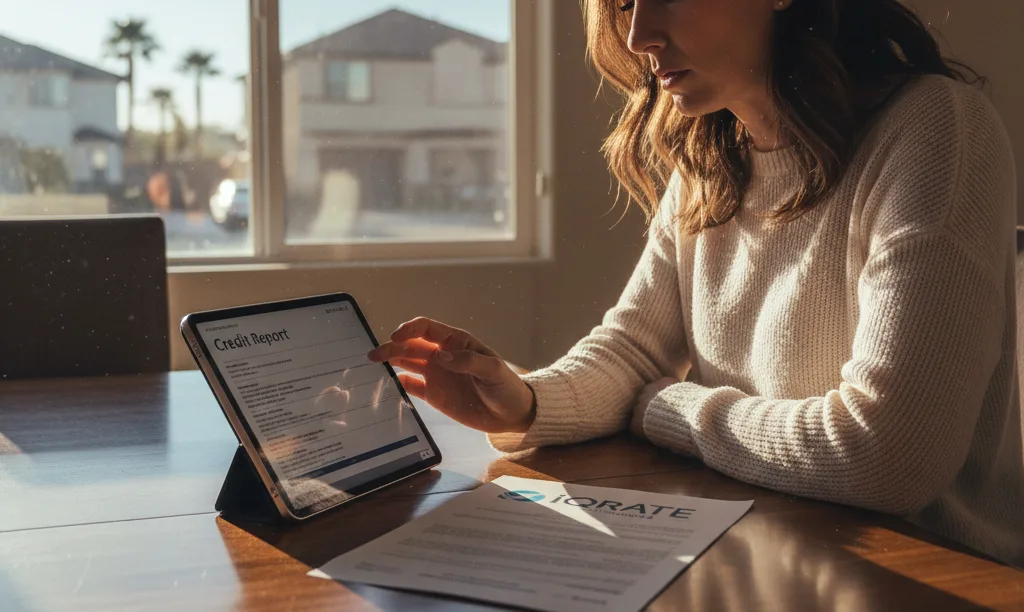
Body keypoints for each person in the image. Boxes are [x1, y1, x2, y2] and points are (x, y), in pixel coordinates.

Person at [369, 0, 1022, 566]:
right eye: (624, 4)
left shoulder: (935, 129)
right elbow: (634, 352)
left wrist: (671, 408)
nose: (637, 36)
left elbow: (888, 457)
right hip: (772, 540)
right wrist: (522, 400)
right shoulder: (710, 162)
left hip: (931, 568)